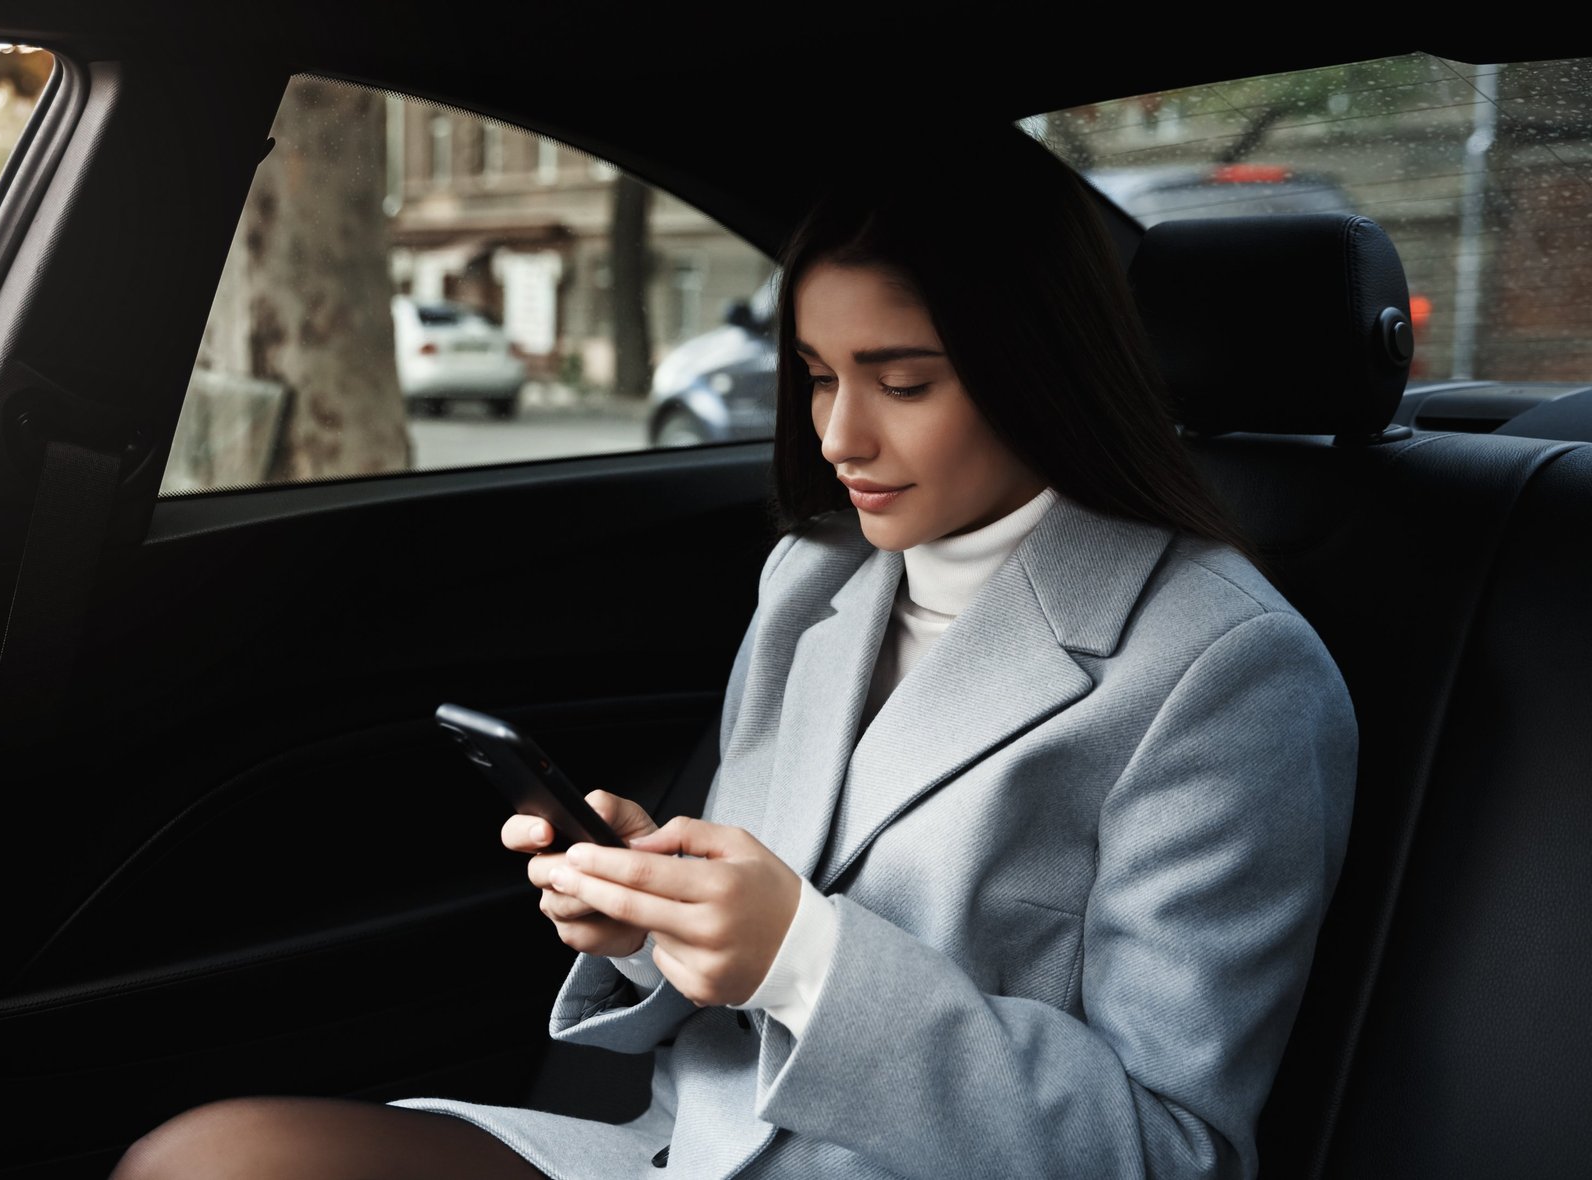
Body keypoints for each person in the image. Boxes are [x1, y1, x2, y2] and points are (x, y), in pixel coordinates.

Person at [110, 123, 1357, 1180]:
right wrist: (652, 916)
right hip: (679, 1150)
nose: (838, 434)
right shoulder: (815, 580)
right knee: (207, 1156)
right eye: (816, 376)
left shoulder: (1226, 668)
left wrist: (804, 958)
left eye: (903, 381)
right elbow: (740, 958)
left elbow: (1169, 1149)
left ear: (1045, 369)